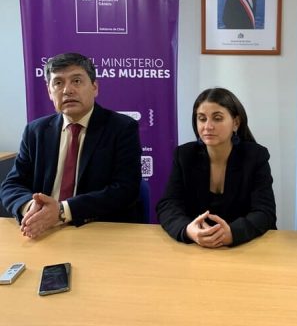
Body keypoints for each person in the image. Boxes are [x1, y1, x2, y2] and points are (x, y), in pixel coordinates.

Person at [0, 53, 142, 238]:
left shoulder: (121, 128)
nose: (67, 90)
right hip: (43, 230)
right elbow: (12, 184)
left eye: (76, 81)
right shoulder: (36, 131)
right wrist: (31, 206)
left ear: (95, 87)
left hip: (96, 230)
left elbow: (125, 189)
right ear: (49, 92)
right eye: (58, 83)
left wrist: (62, 211)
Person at [156, 87, 276, 248]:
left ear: (236, 123)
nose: (208, 126)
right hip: (197, 248)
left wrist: (233, 233)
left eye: (217, 118)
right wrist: (188, 230)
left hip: (246, 246)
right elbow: (168, 204)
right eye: (202, 118)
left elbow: (265, 212)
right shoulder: (184, 155)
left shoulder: (255, 156)